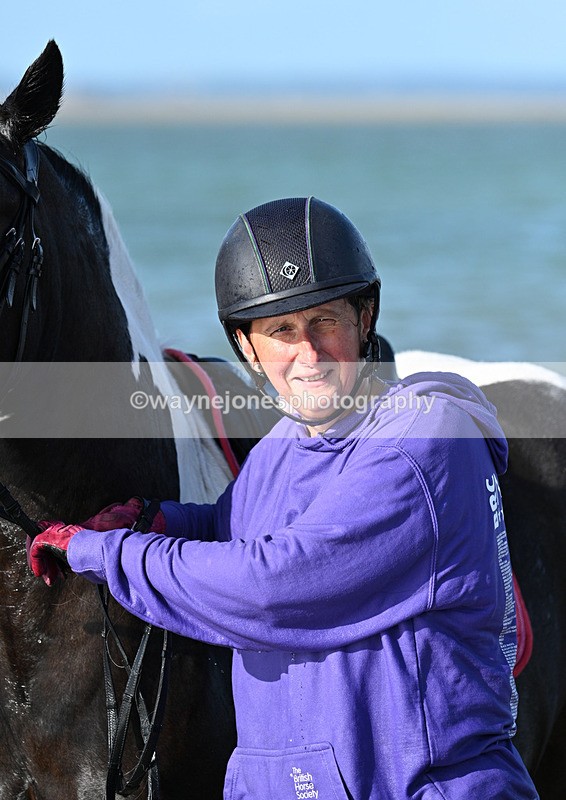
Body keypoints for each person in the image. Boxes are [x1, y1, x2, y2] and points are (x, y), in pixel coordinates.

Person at [29, 197, 538, 799]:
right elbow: (236, 525)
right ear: (247, 347)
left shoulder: (426, 440)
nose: (310, 355)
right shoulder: (283, 444)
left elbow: (274, 585)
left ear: (364, 316)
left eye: (325, 320)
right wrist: (157, 518)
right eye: (282, 331)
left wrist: (104, 554)